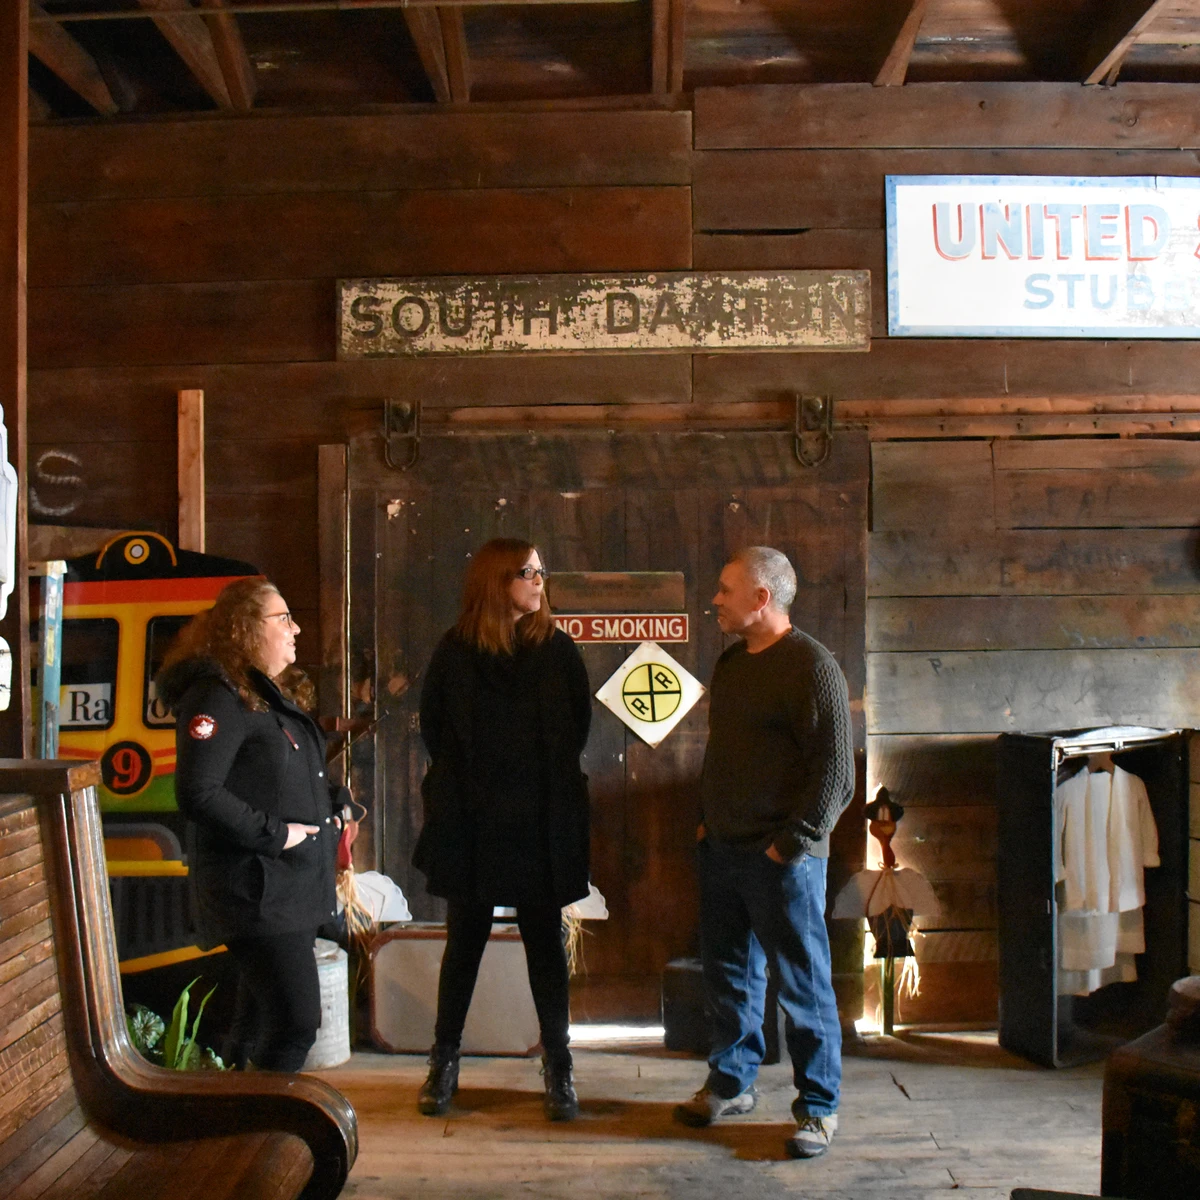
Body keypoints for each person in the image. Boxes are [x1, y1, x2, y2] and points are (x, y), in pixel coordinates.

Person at [673, 546, 855, 1160]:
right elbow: (723, 758)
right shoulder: (731, 665)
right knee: (728, 975)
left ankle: (818, 1109)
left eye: (726, 590)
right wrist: (706, 825)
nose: (715, 599)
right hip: (723, 850)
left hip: (785, 859)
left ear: (761, 598)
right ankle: (731, 1081)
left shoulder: (812, 667)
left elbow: (836, 775)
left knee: (803, 986)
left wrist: (790, 844)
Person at [413, 537, 592, 1122]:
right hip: (475, 822)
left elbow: (577, 729)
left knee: (545, 945)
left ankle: (559, 1067)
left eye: (542, 571)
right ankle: (444, 1063)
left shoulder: (558, 651)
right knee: (464, 942)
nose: (539, 581)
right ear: (496, 582)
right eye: (526, 572)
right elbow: (436, 732)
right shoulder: (456, 651)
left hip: (541, 823)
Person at [158, 577, 346, 1071]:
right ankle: (262, 1139)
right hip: (258, 891)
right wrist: (278, 834)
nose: (296, 628)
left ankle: (239, 1136)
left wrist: (334, 802)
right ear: (246, 629)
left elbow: (276, 777)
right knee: (295, 1024)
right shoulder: (217, 697)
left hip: (288, 890)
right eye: (283, 618)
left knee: (254, 1028)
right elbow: (199, 792)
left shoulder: (261, 696)